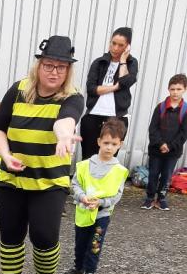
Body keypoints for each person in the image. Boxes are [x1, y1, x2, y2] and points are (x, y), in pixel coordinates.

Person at [0, 35, 85, 274]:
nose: (54, 72)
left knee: (44, 236)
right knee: (11, 236)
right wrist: (6, 155)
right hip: (12, 179)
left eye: (61, 67)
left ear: (68, 70)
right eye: (49, 65)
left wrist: (64, 135)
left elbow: (66, 120)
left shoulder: (73, 96)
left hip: (49, 181)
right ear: (39, 65)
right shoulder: (19, 90)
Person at [62, 118, 128, 274]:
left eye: (113, 144)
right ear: (99, 141)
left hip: (102, 214)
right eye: (106, 143)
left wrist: (102, 202)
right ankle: (78, 267)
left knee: (95, 244)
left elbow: (117, 194)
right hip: (83, 212)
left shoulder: (120, 171)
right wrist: (81, 197)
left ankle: (90, 272)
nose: (109, 147)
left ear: (120, 145)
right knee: (80, 242)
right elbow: (75, 184)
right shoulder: (84, 165)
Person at [80, 27, 138, 159]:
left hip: (116, 118)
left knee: (108, 158)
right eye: (113, 43)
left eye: (121, 45)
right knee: (88, 158)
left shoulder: (131, 63)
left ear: (127, 46)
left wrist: (123, 61)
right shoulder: (99, 62)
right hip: (93, 115)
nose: (115, 48)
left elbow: (125, 82)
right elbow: (91, 89)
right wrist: (115, 87)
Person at [142, 73, 187, 211]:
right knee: (153, 174)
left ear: (185, 89)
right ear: (168, 89)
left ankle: (161, 198)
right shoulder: (160, 107)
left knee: (167, 175)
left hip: (173, 152)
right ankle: (150, 197)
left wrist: (170, 146)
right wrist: (161, 144)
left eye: (179, 89)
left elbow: (184, 133)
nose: (175, 92)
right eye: (172, 89)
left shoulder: (185, 110)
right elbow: (153, 128)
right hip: (156, 150)